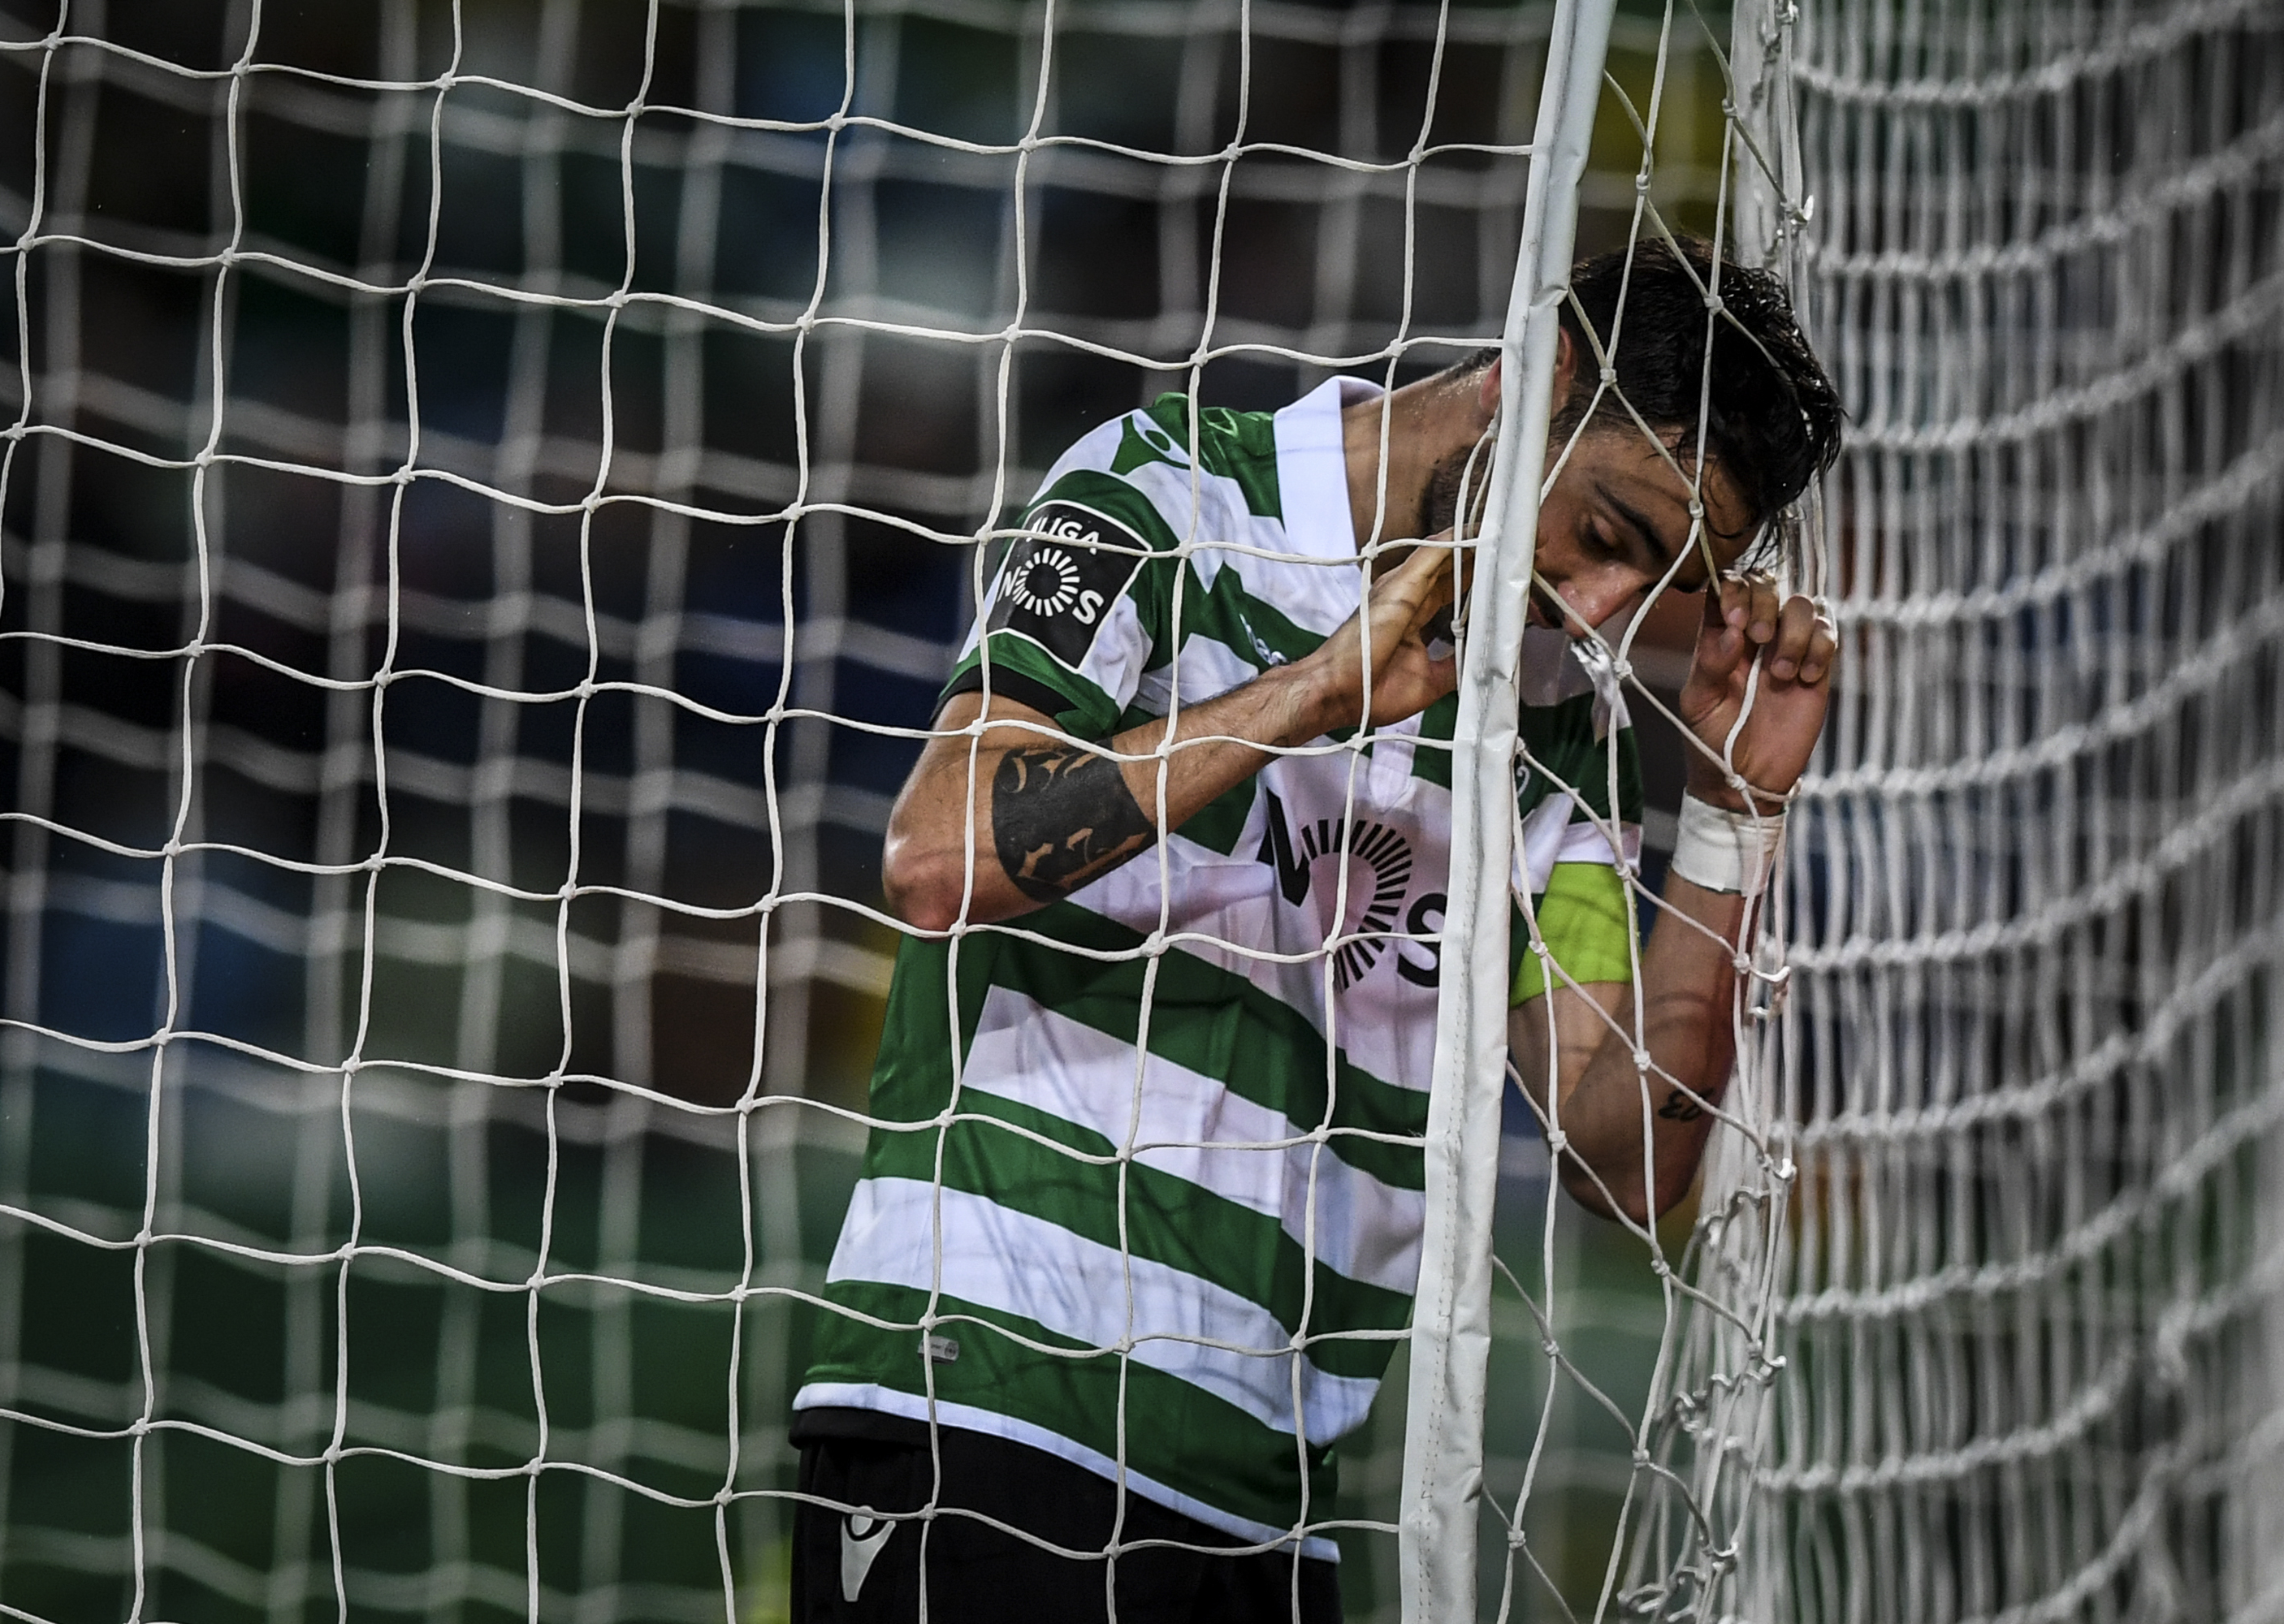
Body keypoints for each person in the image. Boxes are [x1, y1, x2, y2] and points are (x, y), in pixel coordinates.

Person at [786, 235, 1843, 1622]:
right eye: (1602, 537)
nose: (1593, 612)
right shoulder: (1161, 491)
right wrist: (1313, 691)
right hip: (978, 1421)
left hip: (1268, 1518)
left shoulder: (1551, 733)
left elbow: (1621, 1152)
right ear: (1539, 379)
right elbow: (938, 852)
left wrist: (1728, 819)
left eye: (1649, 589)